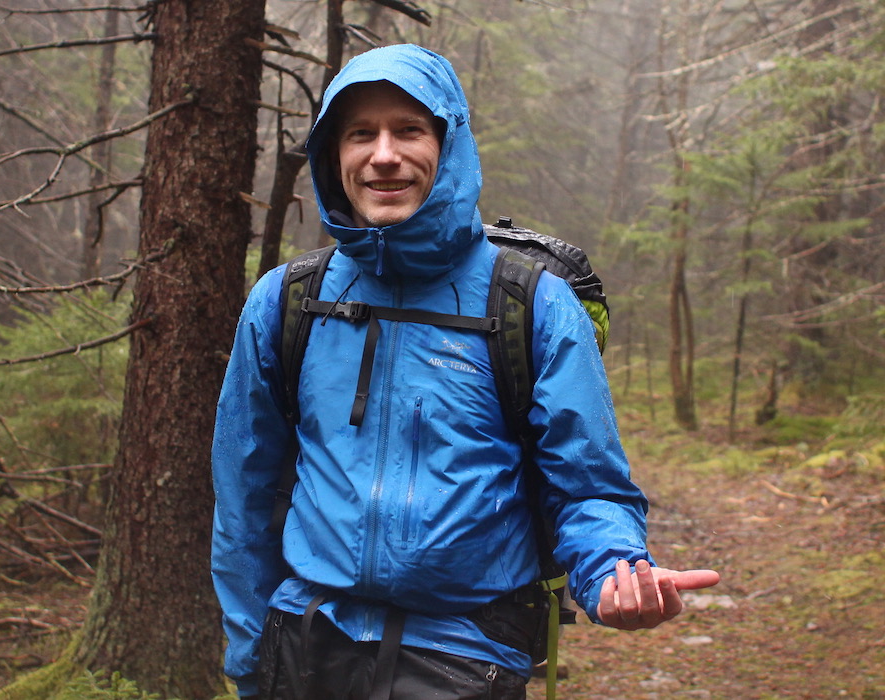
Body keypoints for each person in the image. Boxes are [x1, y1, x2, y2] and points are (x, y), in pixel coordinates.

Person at [211, 44, 719, 699]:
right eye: (361, 133)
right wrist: (251, 657)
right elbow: (242, 503)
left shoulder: (531, 307)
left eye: (409, 130)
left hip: (463, 658)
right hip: (305, 648)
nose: (384, 154)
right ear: (333, 155)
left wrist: (614, 575)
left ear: (450, 144)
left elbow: (590, 488)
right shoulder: (287, 301)